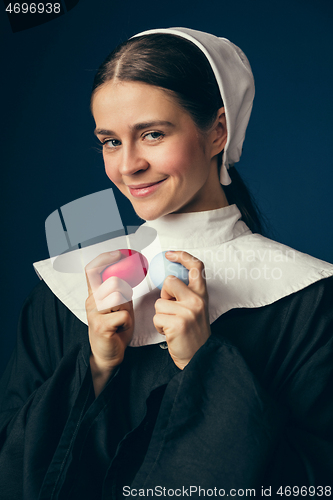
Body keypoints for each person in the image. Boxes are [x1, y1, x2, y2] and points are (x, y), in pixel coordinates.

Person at [0, 27, 333, 499]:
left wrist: (205, 365)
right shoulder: (63, 294)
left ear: (218, 130)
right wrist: (94, 368)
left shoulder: (310, 302)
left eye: (152, 134)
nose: (128, 164)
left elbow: (313, 485)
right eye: (110, 141)